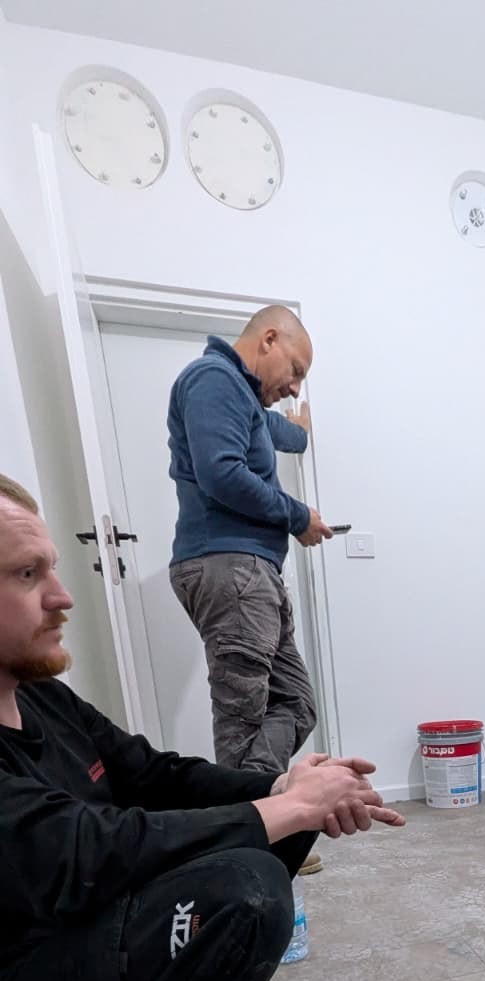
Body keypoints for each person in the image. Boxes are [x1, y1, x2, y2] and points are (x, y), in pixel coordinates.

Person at [0, 474, 404, 981]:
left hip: (65, 949)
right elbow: (83, 851)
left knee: (268, 840)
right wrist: (275, 812)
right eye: (28, 574)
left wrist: (286, 793)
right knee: (241, 897)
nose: (62, 596)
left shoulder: (37, 695)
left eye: (53, 568)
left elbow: (152, 775)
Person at [168, 306, 333, 872]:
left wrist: (303, 433)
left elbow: (281, 433)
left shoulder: (247, 400)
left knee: (296, 703)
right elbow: (221, 472)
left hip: (251, 571)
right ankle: (244, 846)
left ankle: (261, 816)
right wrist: (297, 515)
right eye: (295, 369)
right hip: (227, 566)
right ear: (268, 338)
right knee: (242, 717)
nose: (294, 387)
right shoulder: (212, 380)